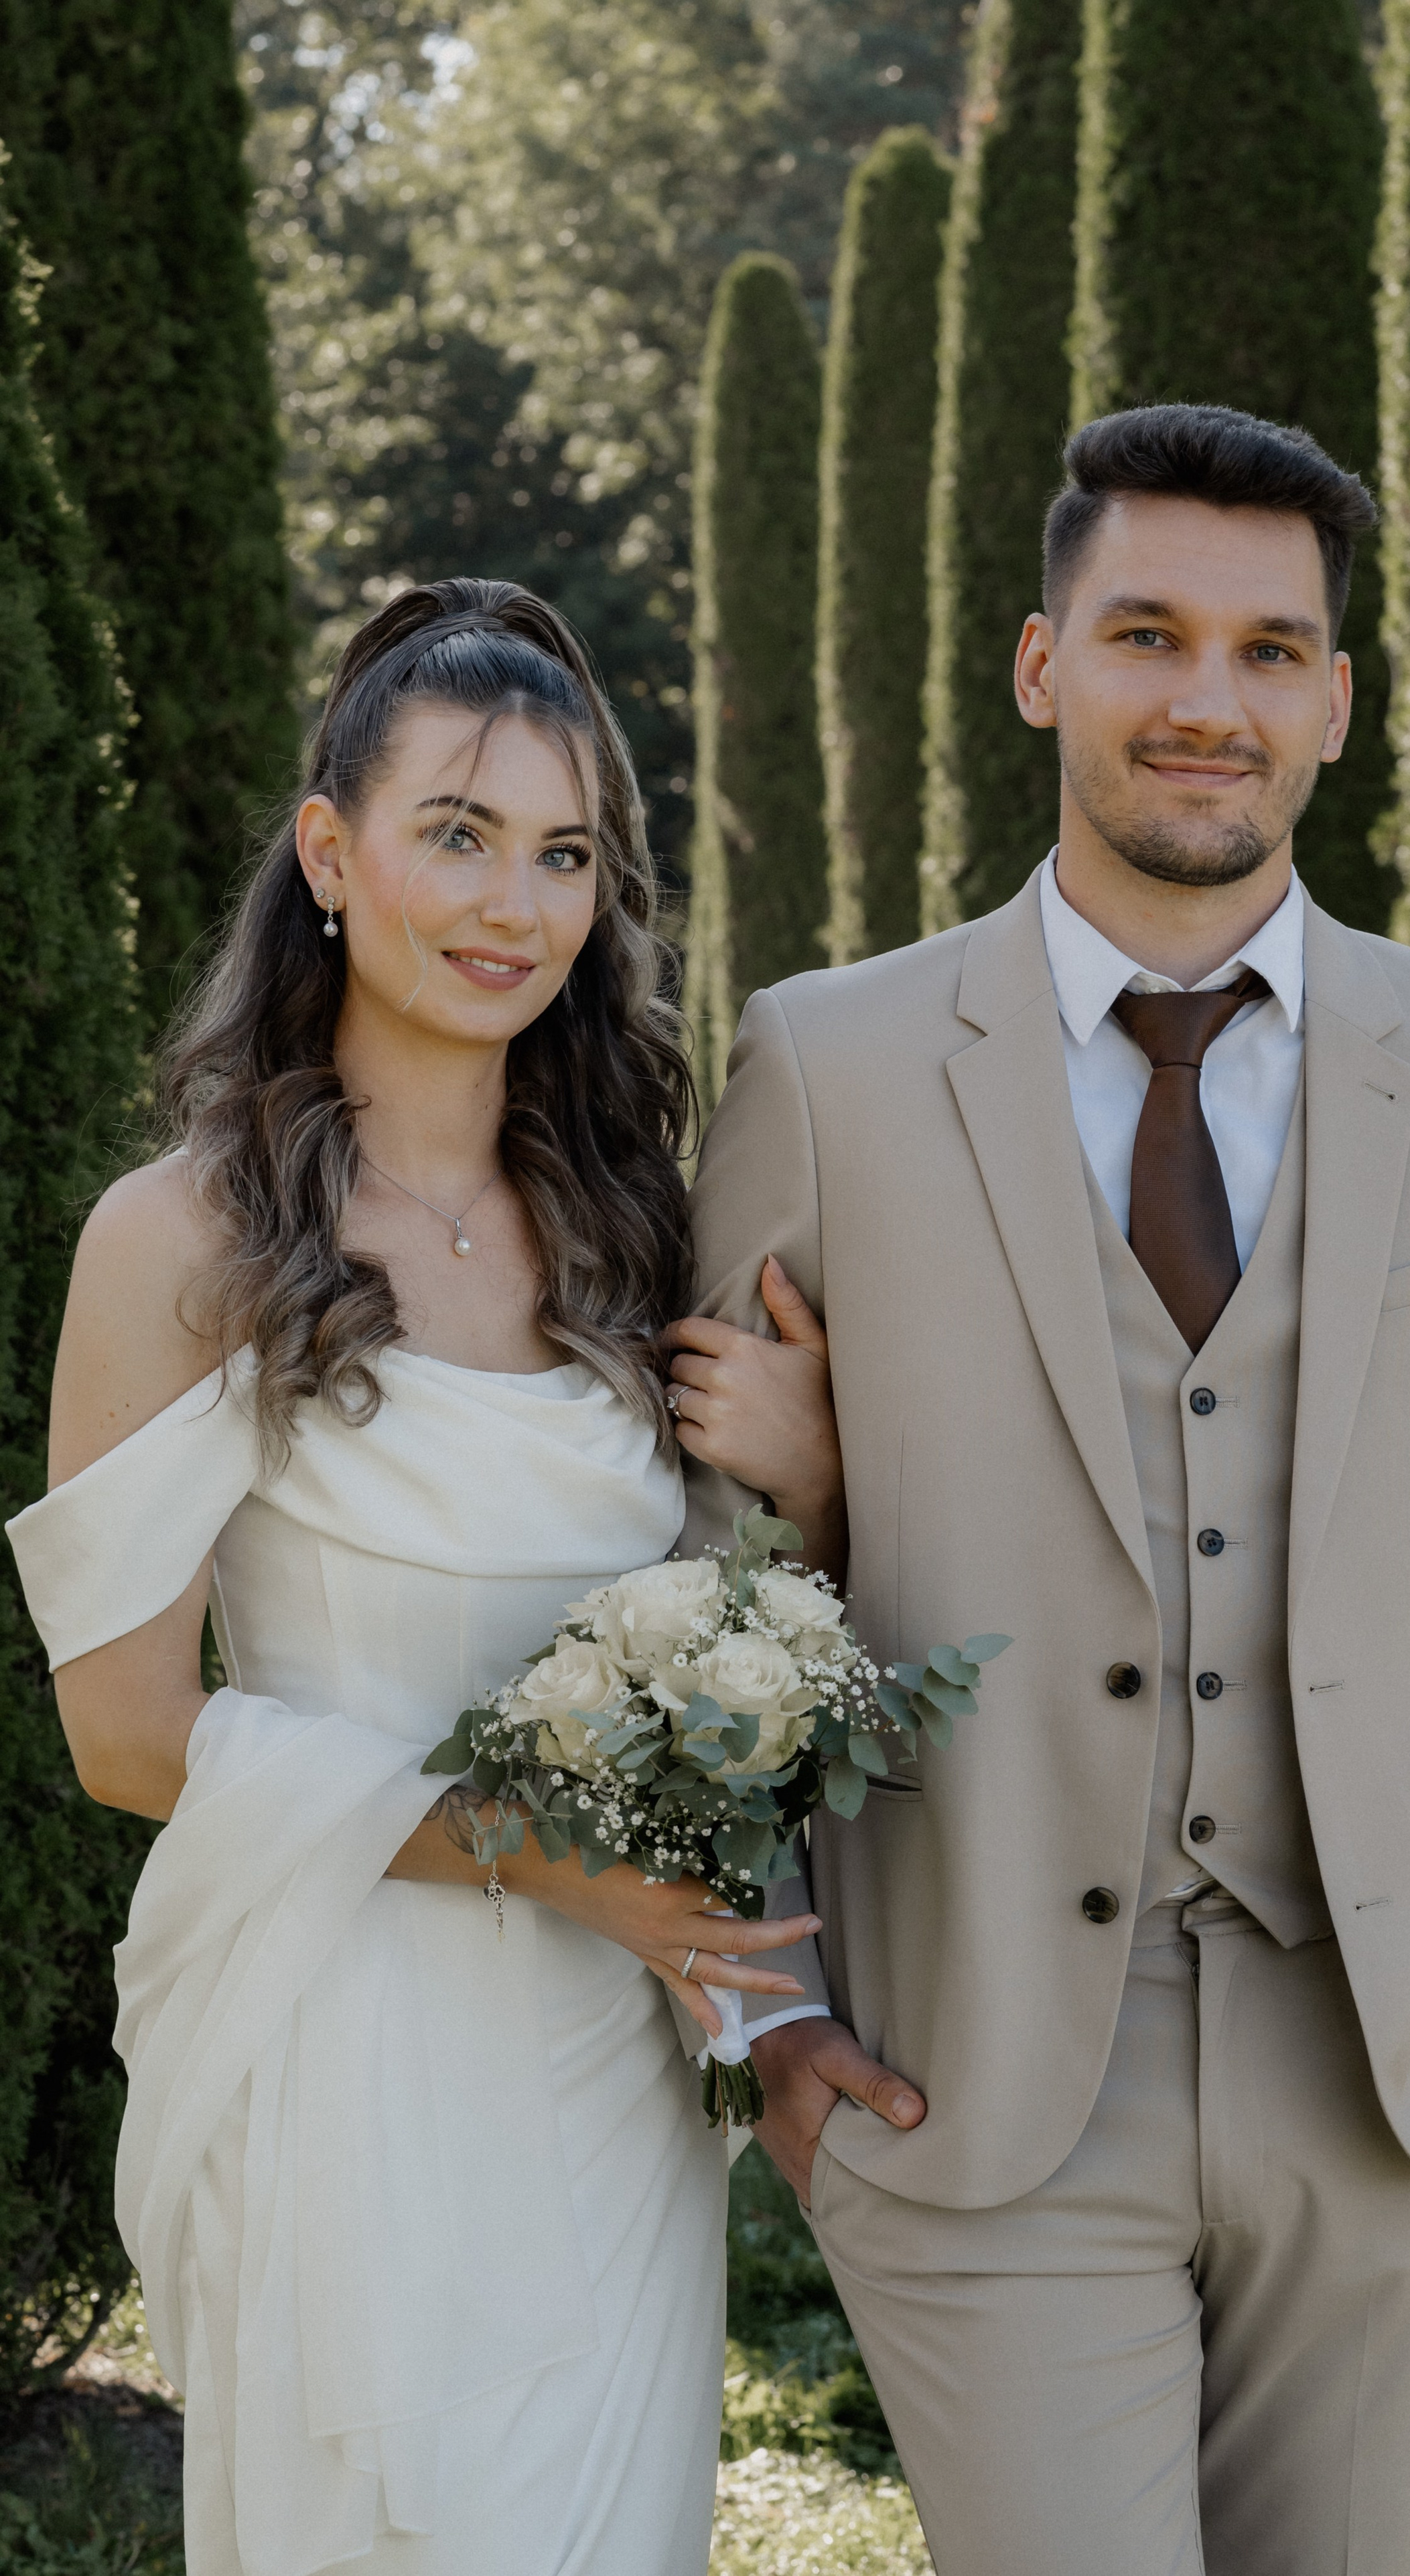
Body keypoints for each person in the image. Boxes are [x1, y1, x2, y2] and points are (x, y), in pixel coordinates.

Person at [674, 404, 1410, 2575]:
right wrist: (762, 2010)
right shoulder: (833, 1066)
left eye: (1270, 650)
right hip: (977, 2062)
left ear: (1335, 701)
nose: (1206, 702)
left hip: (1403, 2057)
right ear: (1043, 664)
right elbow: (708, 1591)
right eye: (1147, 633)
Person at [5, 580, 843, 2576]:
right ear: (328, 852)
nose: (512, 905)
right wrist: (546, 1862)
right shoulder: (179, 1238)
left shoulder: (633, 1224)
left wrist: (814, 1474)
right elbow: (125, 1736)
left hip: (613, 2053)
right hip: (356, 2028)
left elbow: (754, 1612)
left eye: (563, 853)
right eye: (456, 835)